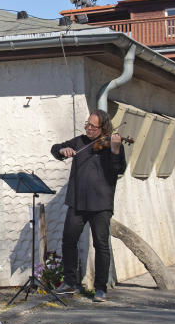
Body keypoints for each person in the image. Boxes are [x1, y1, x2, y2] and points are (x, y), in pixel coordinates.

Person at [50, 109, 126, 302]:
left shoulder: (112, 145)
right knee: (68, 240)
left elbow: (118, 169)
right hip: (77, 202)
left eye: (93, 126)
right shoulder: (80, 142)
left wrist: (115, 150)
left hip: (101, 204)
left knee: (101, 245)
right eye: (88, 125)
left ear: (104, 128)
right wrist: (61, 151)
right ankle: (70, 282)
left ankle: (100, 288)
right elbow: (55, 148)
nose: (89, 129)